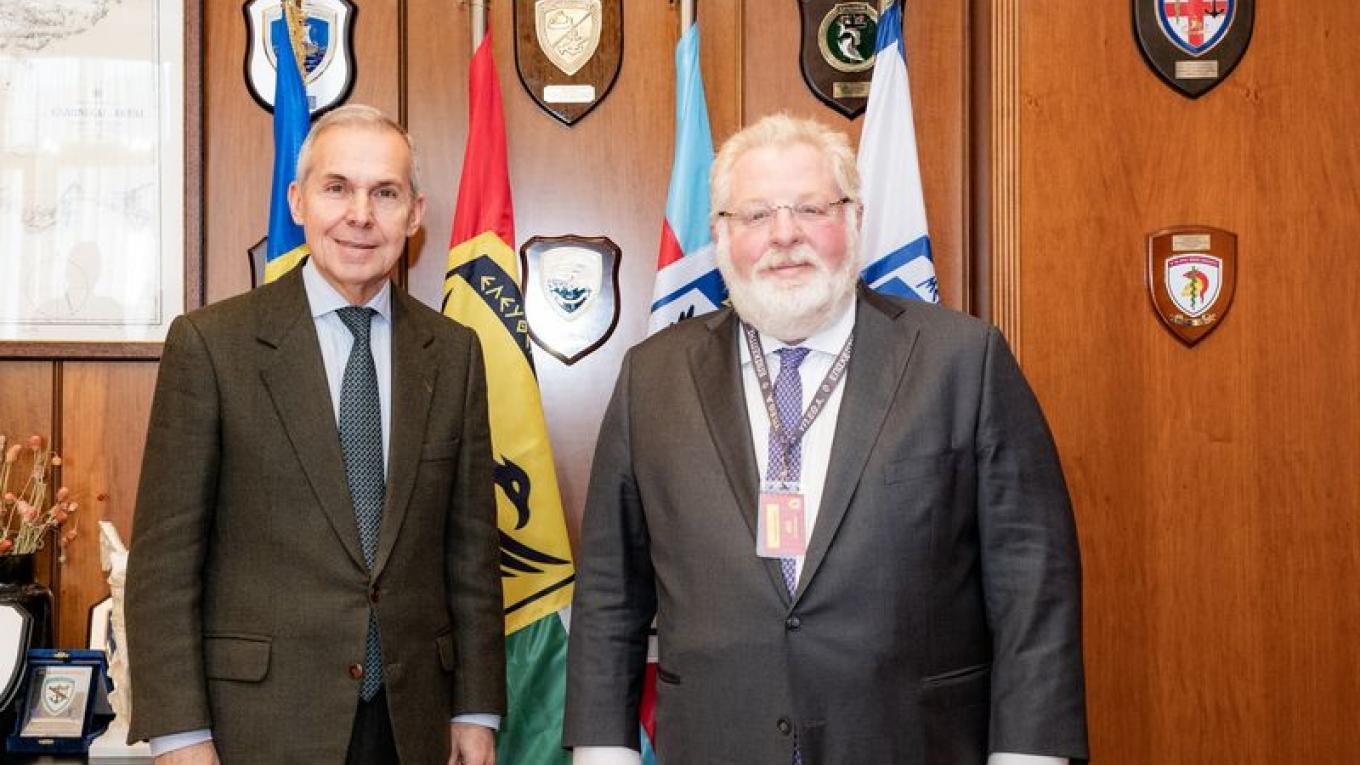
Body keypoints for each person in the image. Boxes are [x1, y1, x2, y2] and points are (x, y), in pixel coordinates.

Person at [563, 114, 1088, 765]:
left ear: (855, 219)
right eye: (755, 214)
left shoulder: (962, 360)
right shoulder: (654, 376)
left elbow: (1034, 582)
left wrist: (1029, 755)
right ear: (721, 233)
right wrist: (603, 750)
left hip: (912, 743)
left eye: (811, 209)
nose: (784, 235)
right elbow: (610, 590)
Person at [126, 104, 505, 765]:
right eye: (337, 188)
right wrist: (180, 735)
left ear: (414, 214)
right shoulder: (211, 345)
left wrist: (475, 709)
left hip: (414, 727)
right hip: (256, 729)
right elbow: (165, 565)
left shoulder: (453, 353)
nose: (360, 215)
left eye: (384, 193)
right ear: (298, 202)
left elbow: (470, 552)